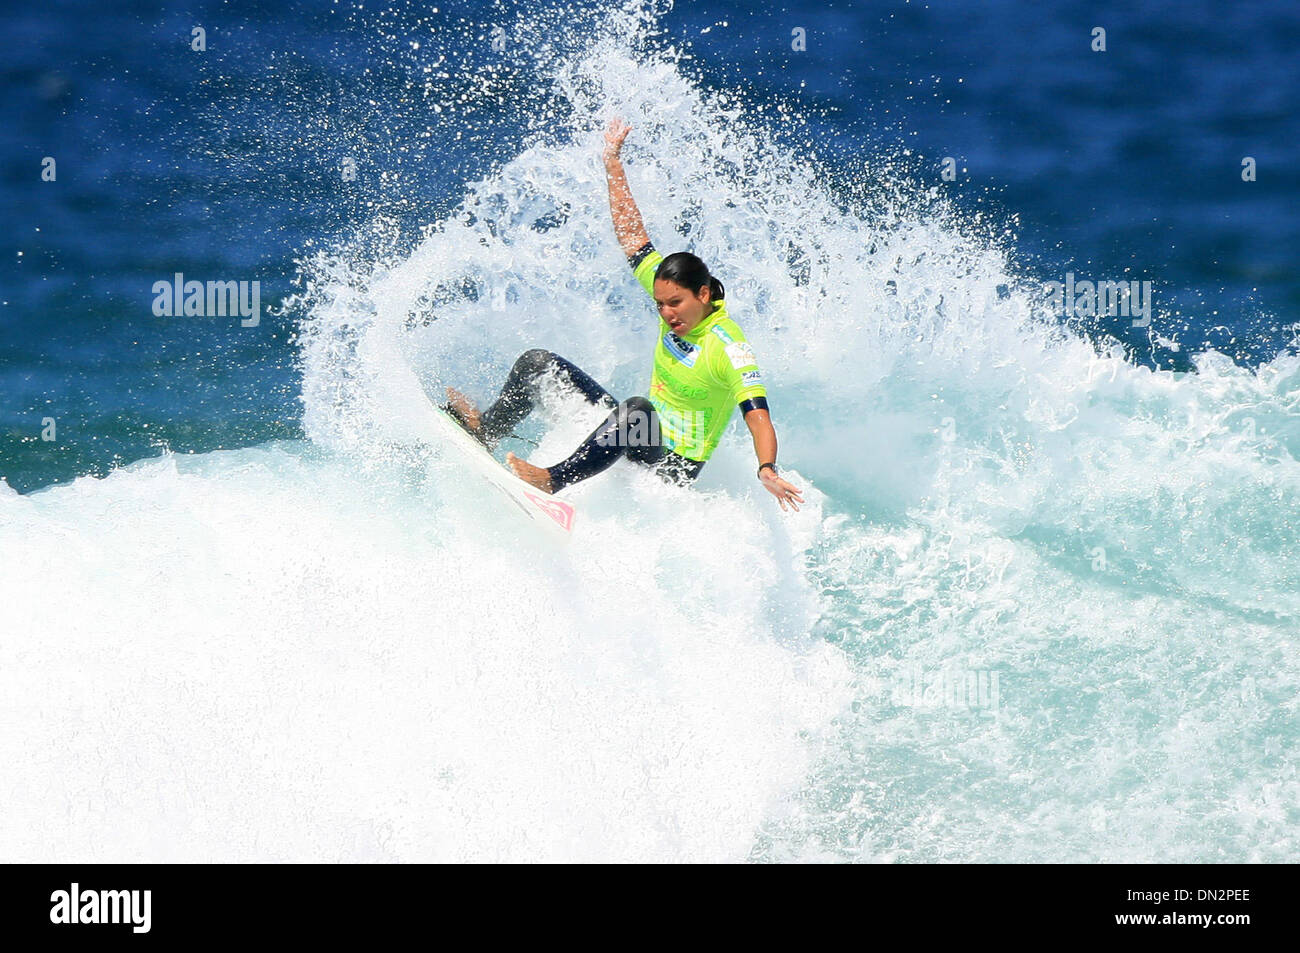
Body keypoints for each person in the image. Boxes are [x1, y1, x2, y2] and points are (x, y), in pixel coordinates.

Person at [444, 117, 804, 511]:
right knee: (537, 363)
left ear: (703, 294)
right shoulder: (671, 295)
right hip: (641, 432)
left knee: (636, 408)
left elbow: (758, 416)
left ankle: (553, 480)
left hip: (673, 464)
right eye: (660, 305)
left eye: (676, 304)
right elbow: (633, 236)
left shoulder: (728, 346)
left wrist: (766, 468)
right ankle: (487, 429)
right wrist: (613, 165)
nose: (667, 313)